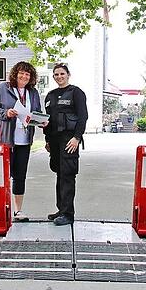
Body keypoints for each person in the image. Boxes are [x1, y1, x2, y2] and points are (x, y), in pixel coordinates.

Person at [0, 61, 41, 222]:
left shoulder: (33, 92)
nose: (24, 76)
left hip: (24, 140)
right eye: (21, 73)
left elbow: (37, 113)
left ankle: (18, 211)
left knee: (20, 176)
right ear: (15, 73)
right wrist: (6, 113)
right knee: (1, 176)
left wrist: (41, 120)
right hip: (5, 140)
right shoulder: (3, 88)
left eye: (28, 74)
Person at [43, 63, 87, 226]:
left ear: (68, 75)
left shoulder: (76, 93)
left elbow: (83, 118)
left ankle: (68, 214)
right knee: (59, 174)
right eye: (56, 74)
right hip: (54, 141)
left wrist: (77, 138)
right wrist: (47, 140)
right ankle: (61, 210)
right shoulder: (50, 95)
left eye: (62, 74)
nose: (59, 77)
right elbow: (46, 120)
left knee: (68, 175)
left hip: (69, 139)